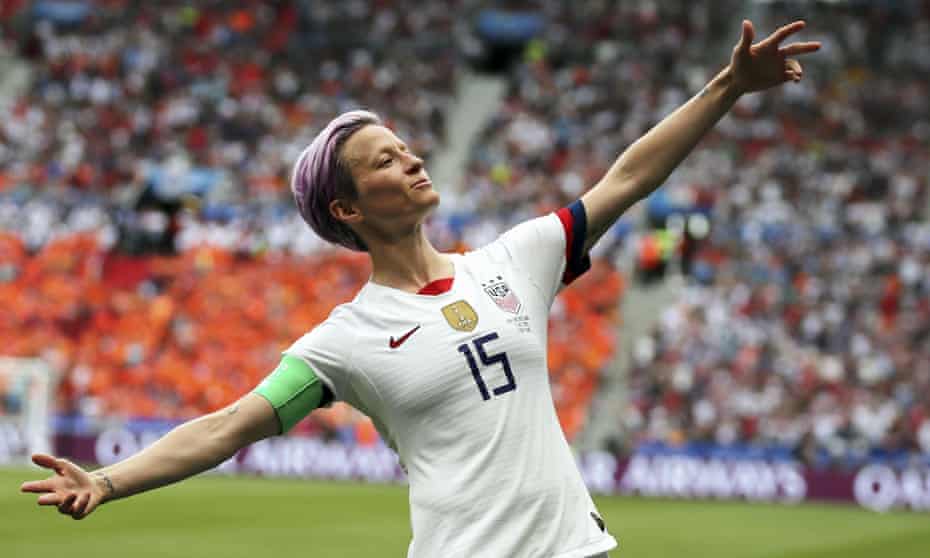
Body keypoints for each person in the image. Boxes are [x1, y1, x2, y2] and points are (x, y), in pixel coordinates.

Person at [21, 20, 819, 558]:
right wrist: (107, 481)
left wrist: (726, 90)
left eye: (405, 146)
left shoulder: (516, 261)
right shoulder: (344, 339)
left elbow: (628, 177)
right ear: (348, 209)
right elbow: (230, 426)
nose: (410, 159)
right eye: (384, 160)